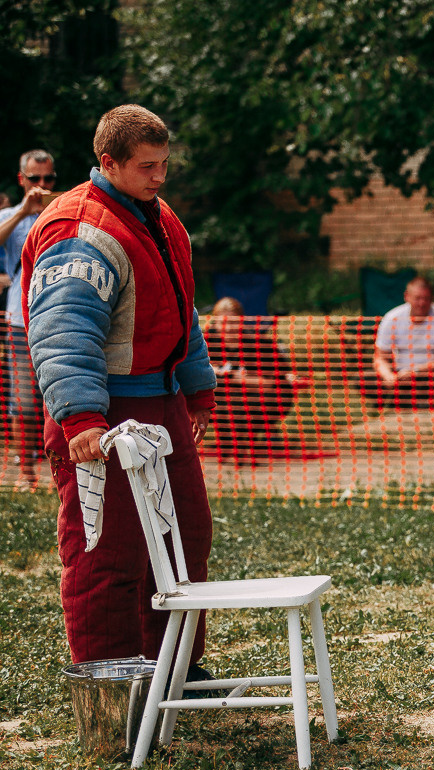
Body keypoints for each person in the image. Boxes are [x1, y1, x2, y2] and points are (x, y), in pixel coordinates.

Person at [21, 105, 219, 677]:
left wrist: (196, 389)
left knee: (185, 534)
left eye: (164, 164)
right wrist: (82, 419)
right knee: (108, 549)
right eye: (147, 166)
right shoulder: (78, 230)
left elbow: (184, 312)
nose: (160, 177)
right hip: (105, 411)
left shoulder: (157, 216)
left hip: (161, 402)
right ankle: (110, 679)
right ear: (108, 162)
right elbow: (63, 330)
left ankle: (176, 669)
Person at [0, 150, 57, 489]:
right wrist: (24, 210)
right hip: (21, 322)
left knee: (64, 397)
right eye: (34, 179)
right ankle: (26, 474)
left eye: (48, 179)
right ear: (22, 180)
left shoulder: (61, 210)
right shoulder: (9, 214)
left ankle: (62, 471)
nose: (41, 185)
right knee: (23, 399)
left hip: (60, 319)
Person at [203, 297, 304, 459]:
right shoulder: (203, 343)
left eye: (233, 322)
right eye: (223, 322)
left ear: (242, 321)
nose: (228, 328)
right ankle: (228, 440)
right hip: (219, 401)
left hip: (256, 399)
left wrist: (235, 377)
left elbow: (275, 379)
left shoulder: (259, 344)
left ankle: (250, 439)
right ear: (215, 323)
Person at [362, 275, 434, 408]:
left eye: (426, 298)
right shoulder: (392, 317)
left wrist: (415, 371)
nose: (422, 303)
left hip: (429, 374)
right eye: (418, 298)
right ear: (407, 296)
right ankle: (406, 399)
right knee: (363, 379)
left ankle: (405, 400)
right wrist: (387, 375)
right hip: (399, 374)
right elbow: (379, 356)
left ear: (432, 299)